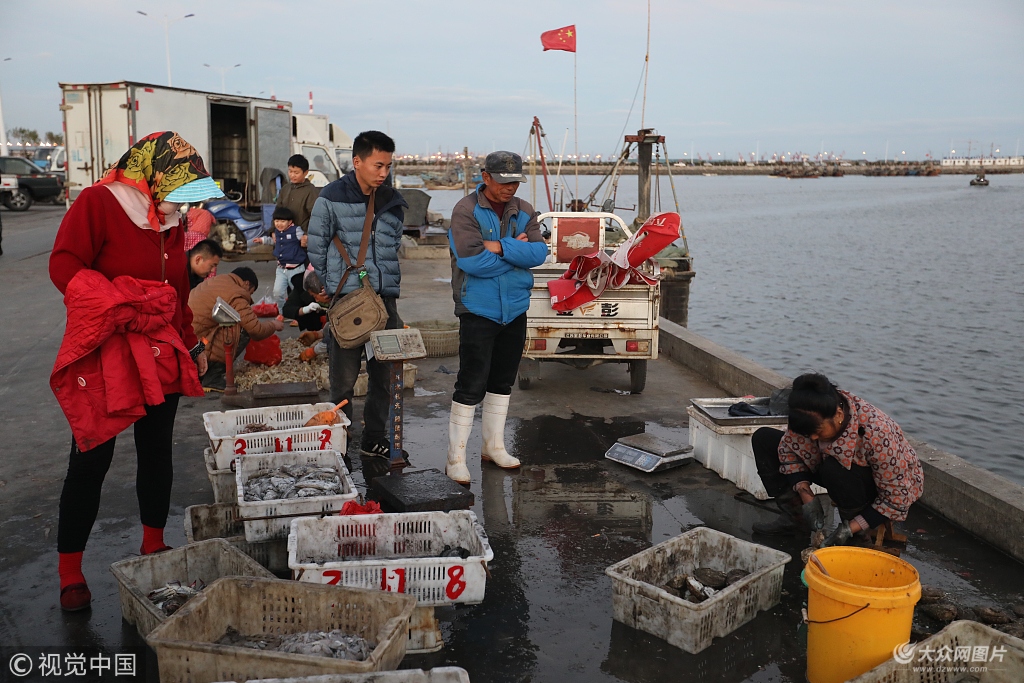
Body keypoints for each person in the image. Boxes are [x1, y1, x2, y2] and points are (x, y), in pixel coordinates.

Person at [48, 131, 221, 612]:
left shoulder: (167, 219)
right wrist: (116, 301)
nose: (183, 199)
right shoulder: (99, 203)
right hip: (108, 351)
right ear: (152, 173)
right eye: (180, 186)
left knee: (156, 450)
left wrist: (191, 343)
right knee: (90, 459)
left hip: (161, 350)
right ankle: (70, 571)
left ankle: (152, 541)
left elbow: (178, 291)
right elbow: (64, 265)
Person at [444, 151, 548, 484]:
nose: (509, 187)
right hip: (478, 308)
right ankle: (456, 457)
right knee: (471, 381)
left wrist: (500, 247)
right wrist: (515, 251)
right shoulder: (465, 211)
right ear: (485, 177)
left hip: (515, 308)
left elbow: (539, 253)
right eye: (503, 181)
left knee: (502, 381)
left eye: (515, 181)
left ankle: (493, 446)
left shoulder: (526, 211)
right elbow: (471, 261)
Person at [307, 130, 407, 457]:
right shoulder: (330, 197)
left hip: (385, 303)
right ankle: (341, 441)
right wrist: (336, 282)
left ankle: (374, 438)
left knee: (384, 376)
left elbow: (392, 246)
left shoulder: (392, 200)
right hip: (347, 303)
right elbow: (317, 246)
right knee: (343, 381)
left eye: (388, 166)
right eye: (378, 165)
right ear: (357, 162)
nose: (383, 173)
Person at [751, 373, 924, 546]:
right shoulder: (807, 413)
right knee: (763, 439)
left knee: (835, 470)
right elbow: (788, 449)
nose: (812, 437)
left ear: (839, 414)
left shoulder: (877, 432)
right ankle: (795, 520)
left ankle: (857, 537)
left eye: (818, 432)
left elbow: (896, 499)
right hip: (828, 466)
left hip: (880, 487)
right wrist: (806, 496)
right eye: (807, 433)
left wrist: (849, 528)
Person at [189, 266, 284, 389]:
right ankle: (212, 375)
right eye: (251, 291)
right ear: (246, 283)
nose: (249, 295)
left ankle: (202, 370)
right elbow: (256, 330)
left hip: (190, 341)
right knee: (243, 328)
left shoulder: (219, 281)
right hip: (200, 343)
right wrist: (274, 324)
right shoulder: (235, 293)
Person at [253, 206, 307, 312]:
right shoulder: (277, 232)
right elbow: (273, 241)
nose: (279, 224)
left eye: (282, 221)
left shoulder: (296, 230)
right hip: (281, 269)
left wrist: (306, 240)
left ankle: (297, 314)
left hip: (296, 269)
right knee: (277, 293)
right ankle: (283, 313)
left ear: (290, 222)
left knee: (297, 293)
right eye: (277, 221)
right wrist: (262, 240)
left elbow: (305, 239)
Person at [283, 268, 331, 361]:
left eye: (314, 296)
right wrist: (318, 334)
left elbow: (338, 332)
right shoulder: (300, 287)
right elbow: (287, 309)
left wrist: (313, 351)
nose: (316, 300)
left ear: (323, 290)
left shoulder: (341, 298)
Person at [276, 153, 321, 231]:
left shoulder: (311, 190)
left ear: (306, 172)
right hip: (283, 235)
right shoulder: (285, 189)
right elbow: (277, 211)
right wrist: (273, 231)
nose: (292, 175)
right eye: (290, 171)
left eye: (296, 173)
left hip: (301, 235)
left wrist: (307, 234)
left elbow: (316, 216)